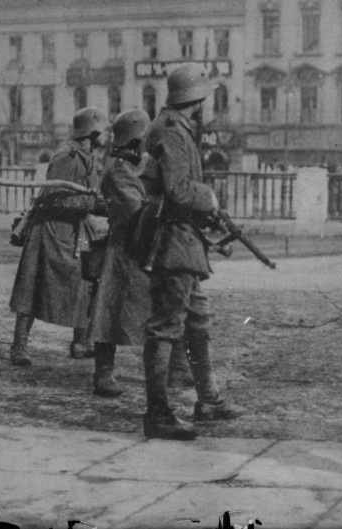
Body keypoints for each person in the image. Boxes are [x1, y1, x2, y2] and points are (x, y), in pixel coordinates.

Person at [138, 62, 243, 440]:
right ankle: (159, 414)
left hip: (182, 240)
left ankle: (209, 400)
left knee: (197, 319)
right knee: (166, 327)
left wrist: (211, 210)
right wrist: (209, 197)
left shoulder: (168, 126)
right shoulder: (174, 132)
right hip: (174, 243)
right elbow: (179, 189)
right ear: (196, 99)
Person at [85, 109, 192, 397]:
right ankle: (103, 374)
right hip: (123, 251)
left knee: (166, 308)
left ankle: (176, 370)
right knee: (109, 314)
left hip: (143, 249)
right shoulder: (118, 172)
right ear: (135, 140)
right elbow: (137, 211)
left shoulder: (133, 166)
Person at [9, 107, 107, 367]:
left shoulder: (89, 157)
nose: (105, 136)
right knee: (31, 287)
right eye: (102, 131)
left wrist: (98, 203)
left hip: (78, 231)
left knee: (88, 281)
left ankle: (81, 343)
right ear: (92, 132)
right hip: (51, 228)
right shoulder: (67, 156)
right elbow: (53, 198)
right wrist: (94, 204)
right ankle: (19, 346)